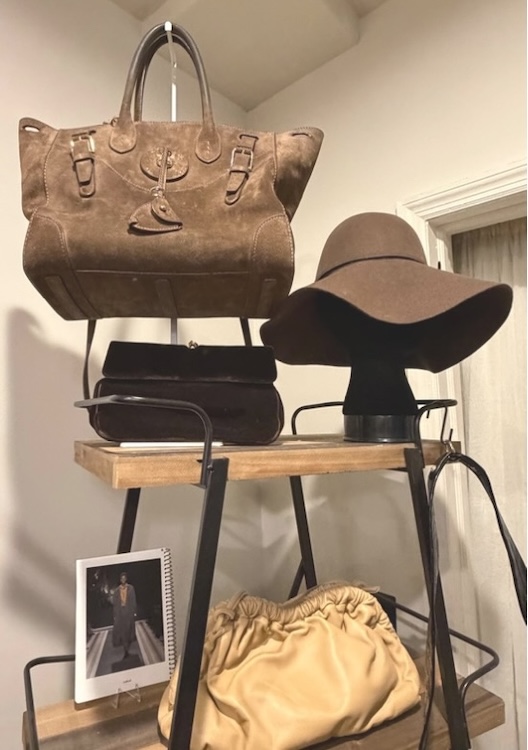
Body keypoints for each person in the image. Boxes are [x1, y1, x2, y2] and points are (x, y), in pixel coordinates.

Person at [111, 572, 137, 659]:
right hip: (120, 612)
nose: (123, 580)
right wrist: (115, 615)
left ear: (126, 579)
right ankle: (125, 649)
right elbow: (115, 604)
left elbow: (133, 600)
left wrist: (134, 611)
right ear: (120, 580)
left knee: (129, 629)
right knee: (122, 630)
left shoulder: (131, 588)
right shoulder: (116, 591)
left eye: (124, 578)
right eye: (121, 578)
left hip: (128, 611)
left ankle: (127, 646)